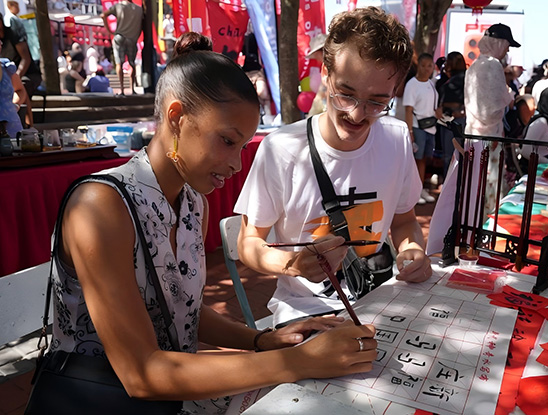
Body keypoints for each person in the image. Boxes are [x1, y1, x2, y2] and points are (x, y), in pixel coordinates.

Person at [42, 36, 376, 414]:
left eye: (242, 147)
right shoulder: (99, 206)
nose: (236, 164)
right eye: (227, 141)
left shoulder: (192, 203)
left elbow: (182, 310)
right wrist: (297, 361)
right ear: (176, 118)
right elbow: (141, 373)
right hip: (102, 400)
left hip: (173, 396)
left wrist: (261, 340)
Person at [234, 7, 433, 327]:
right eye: (346, 94)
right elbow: (248, 243)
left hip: (379, 299)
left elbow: (405, 221)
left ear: (394, 92)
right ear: (325, 74)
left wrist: (412, 250)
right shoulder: (281, 149)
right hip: (305, 310)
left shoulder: (396, 138)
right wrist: (293, 264)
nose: (357, 114)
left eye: (377, 102)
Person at [427, 23, 520, 254]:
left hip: (474, 135)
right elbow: (491, 109)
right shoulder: (492, 65)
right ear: (499, 43)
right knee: (487, 190)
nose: (507, 50)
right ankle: (485, 237)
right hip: (489, 137)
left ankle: (471, 235)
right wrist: (507, 97)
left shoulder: (476, 65)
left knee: (472, 188)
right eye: (507, 45)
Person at [0, 15, 25, 146]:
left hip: (14, 138)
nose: (1, 42)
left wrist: (15, 105)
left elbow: (20, 90)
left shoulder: (6, 67)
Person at [403, 52, 438, 205]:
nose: (426, 69)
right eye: (423, 65)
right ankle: (413, 191)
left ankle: (420, 188)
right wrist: (410, 131)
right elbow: (408, 109)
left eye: (429, 66)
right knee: (416, 160)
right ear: (419, 66)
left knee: (424, 160)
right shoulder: (412, 84)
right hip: (418, 128)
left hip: (431, 128)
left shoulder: (431, 84)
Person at [435, 51, 467, 181]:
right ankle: (451, 184)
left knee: (453, 155)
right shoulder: (451, 78)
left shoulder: (462, 79)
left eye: (449, 60)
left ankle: (453, 184)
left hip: (456, 120)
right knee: (449, 155)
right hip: (446, 120)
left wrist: (461, 111)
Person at [102, 0, 143, 94]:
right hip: (132, 38)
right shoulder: (139, 9)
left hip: (119, 36)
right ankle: (132, 89)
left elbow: (103, 15)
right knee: (132, 63)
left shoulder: (118, 6)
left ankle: (121, 89)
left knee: (119, 63)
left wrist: (109, 31)